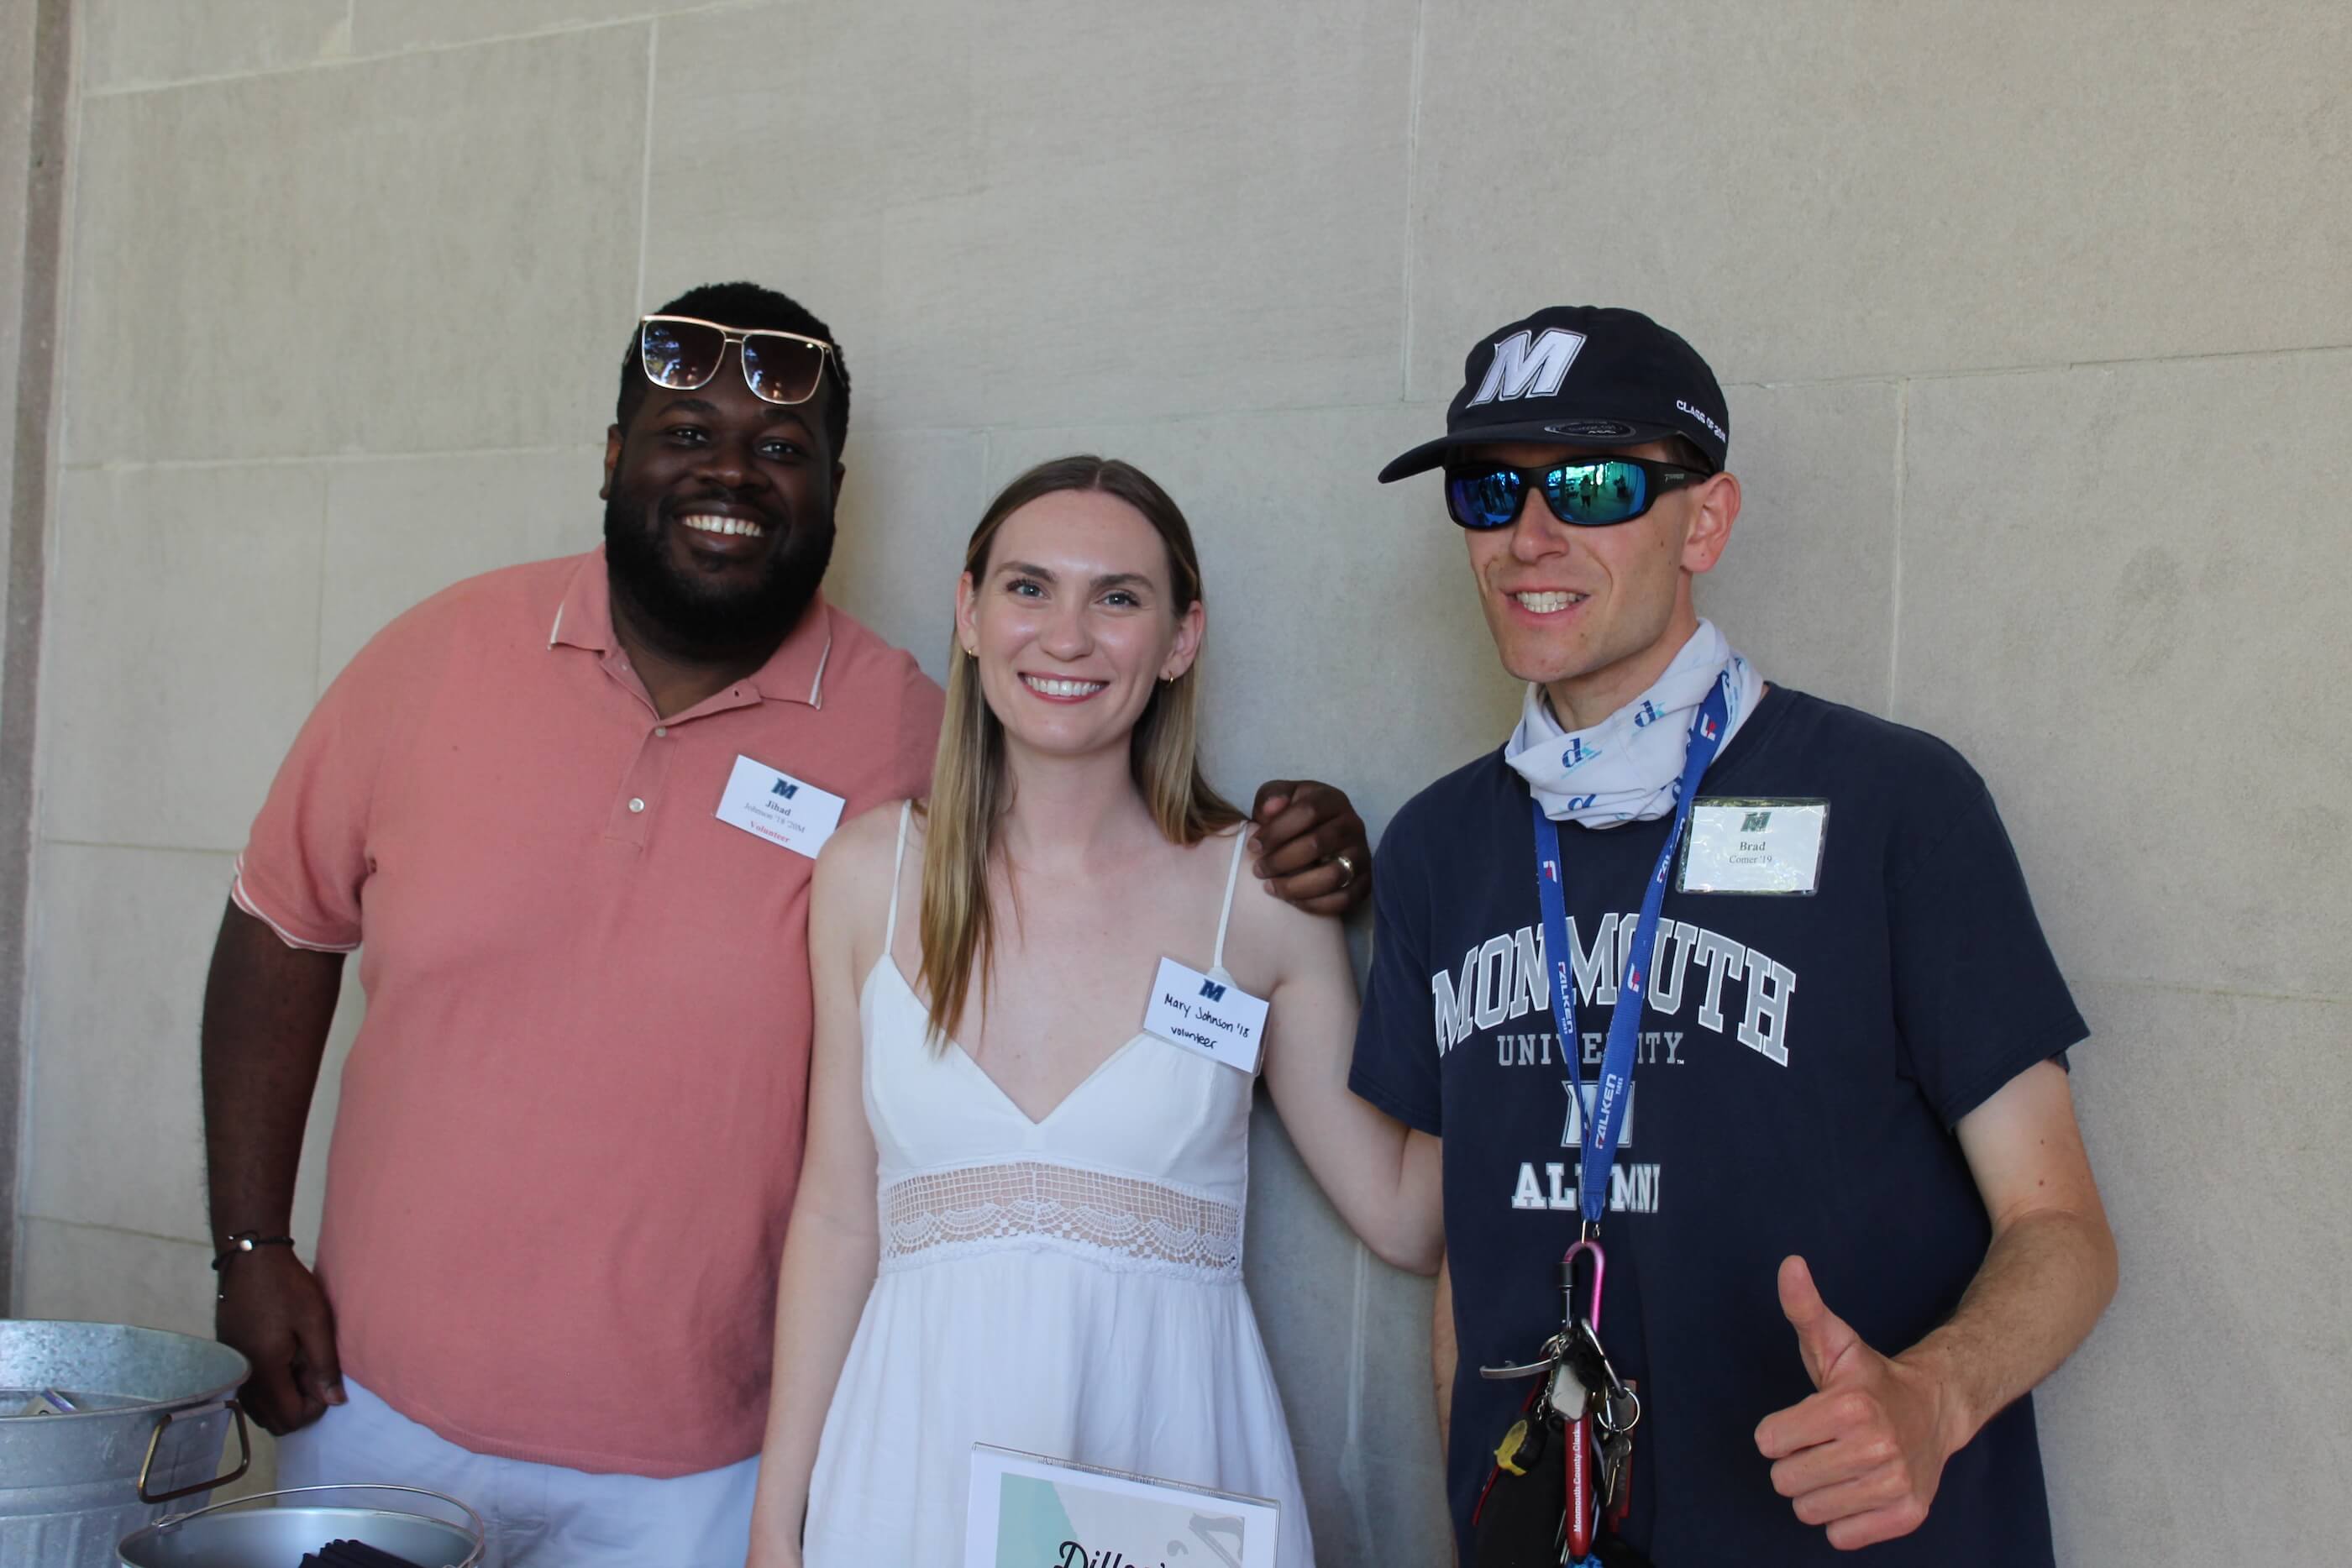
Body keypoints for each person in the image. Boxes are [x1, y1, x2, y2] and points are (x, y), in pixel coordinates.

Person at [202, 283, 1376, 1568]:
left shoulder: (911, 738)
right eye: (684, 432)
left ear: (833, 491)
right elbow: (281, 926)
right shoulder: (431, 659)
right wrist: (252, 1242)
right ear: (611, 458)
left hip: (702, 1470)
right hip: (380, 1413)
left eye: (780, 450)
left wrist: (1305, 845)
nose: (730, 473)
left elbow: (1093, 834)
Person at [1347, 307, 2117, 1565]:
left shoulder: (1893, 803)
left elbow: (2065, 1231)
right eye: (1491, 492)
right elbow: (1467, 1251)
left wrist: (1937, 1398)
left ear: (1705, 521)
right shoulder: (1440, 846)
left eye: (1593, 486)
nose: (1530, 536)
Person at [745, 457, 1444, 1568]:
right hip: (905, 1477)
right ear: (969, 613)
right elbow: (837, 1219)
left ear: (1180, 639)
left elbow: (1406, 1216)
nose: (1067, 635)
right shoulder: (868, 878)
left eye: (1118, 597)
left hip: (1168, 1479)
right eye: (1029, 588)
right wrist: (778, 1523)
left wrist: (1529, 968)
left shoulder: (1256, 897)